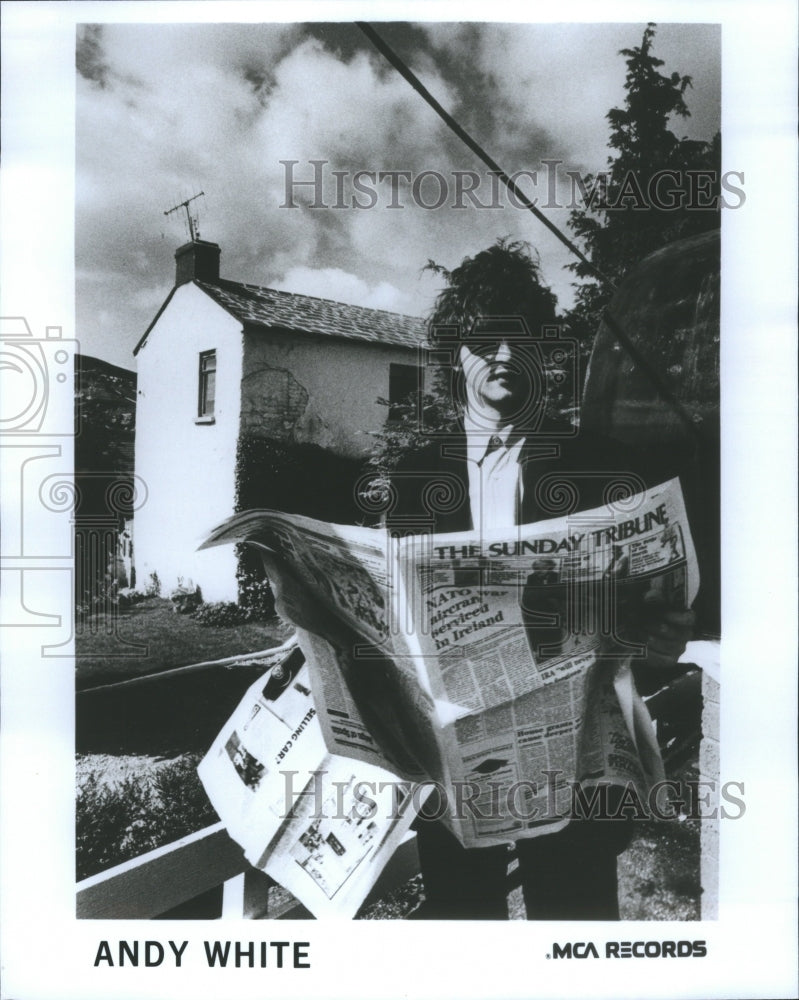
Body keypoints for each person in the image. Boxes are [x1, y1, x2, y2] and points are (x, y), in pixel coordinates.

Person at [384, 244, 694, 920]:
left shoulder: (601, 467)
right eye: (482, 339)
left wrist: (664, 632)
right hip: (452, 759)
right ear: (454, 356)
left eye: (516, 338)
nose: (500, 355)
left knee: (576, 931)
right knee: (462, 936)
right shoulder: (413, 476)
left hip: (574, 760)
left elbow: (646, 622)